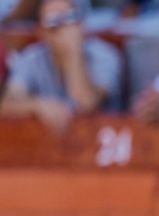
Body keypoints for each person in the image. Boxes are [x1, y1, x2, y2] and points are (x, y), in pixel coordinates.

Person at [0, 0, 123, 134]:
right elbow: (7, 103)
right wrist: (36, 106)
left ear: (81, 25)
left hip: (101, 143)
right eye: (54, 23)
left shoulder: (105, 56)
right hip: (49, 147)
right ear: (42, 32)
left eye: (70, 19)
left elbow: (87, 105)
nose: (64, 29)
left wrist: (73, 52)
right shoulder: (32, 58)